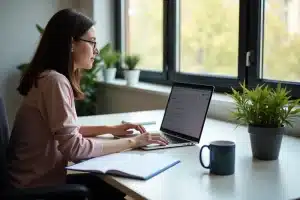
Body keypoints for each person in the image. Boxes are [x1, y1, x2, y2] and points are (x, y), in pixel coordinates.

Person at [6, 8, 168, 200]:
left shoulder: (48, 77)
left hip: (32, 182)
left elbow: (65, 130)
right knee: (116, 189)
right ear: (71, 44)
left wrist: (112, 129)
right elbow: (74, 149)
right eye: (92, 42)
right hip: (34, 190)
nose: (96, 50)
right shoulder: (54, 81)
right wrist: (134, 141)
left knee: (111, 186)